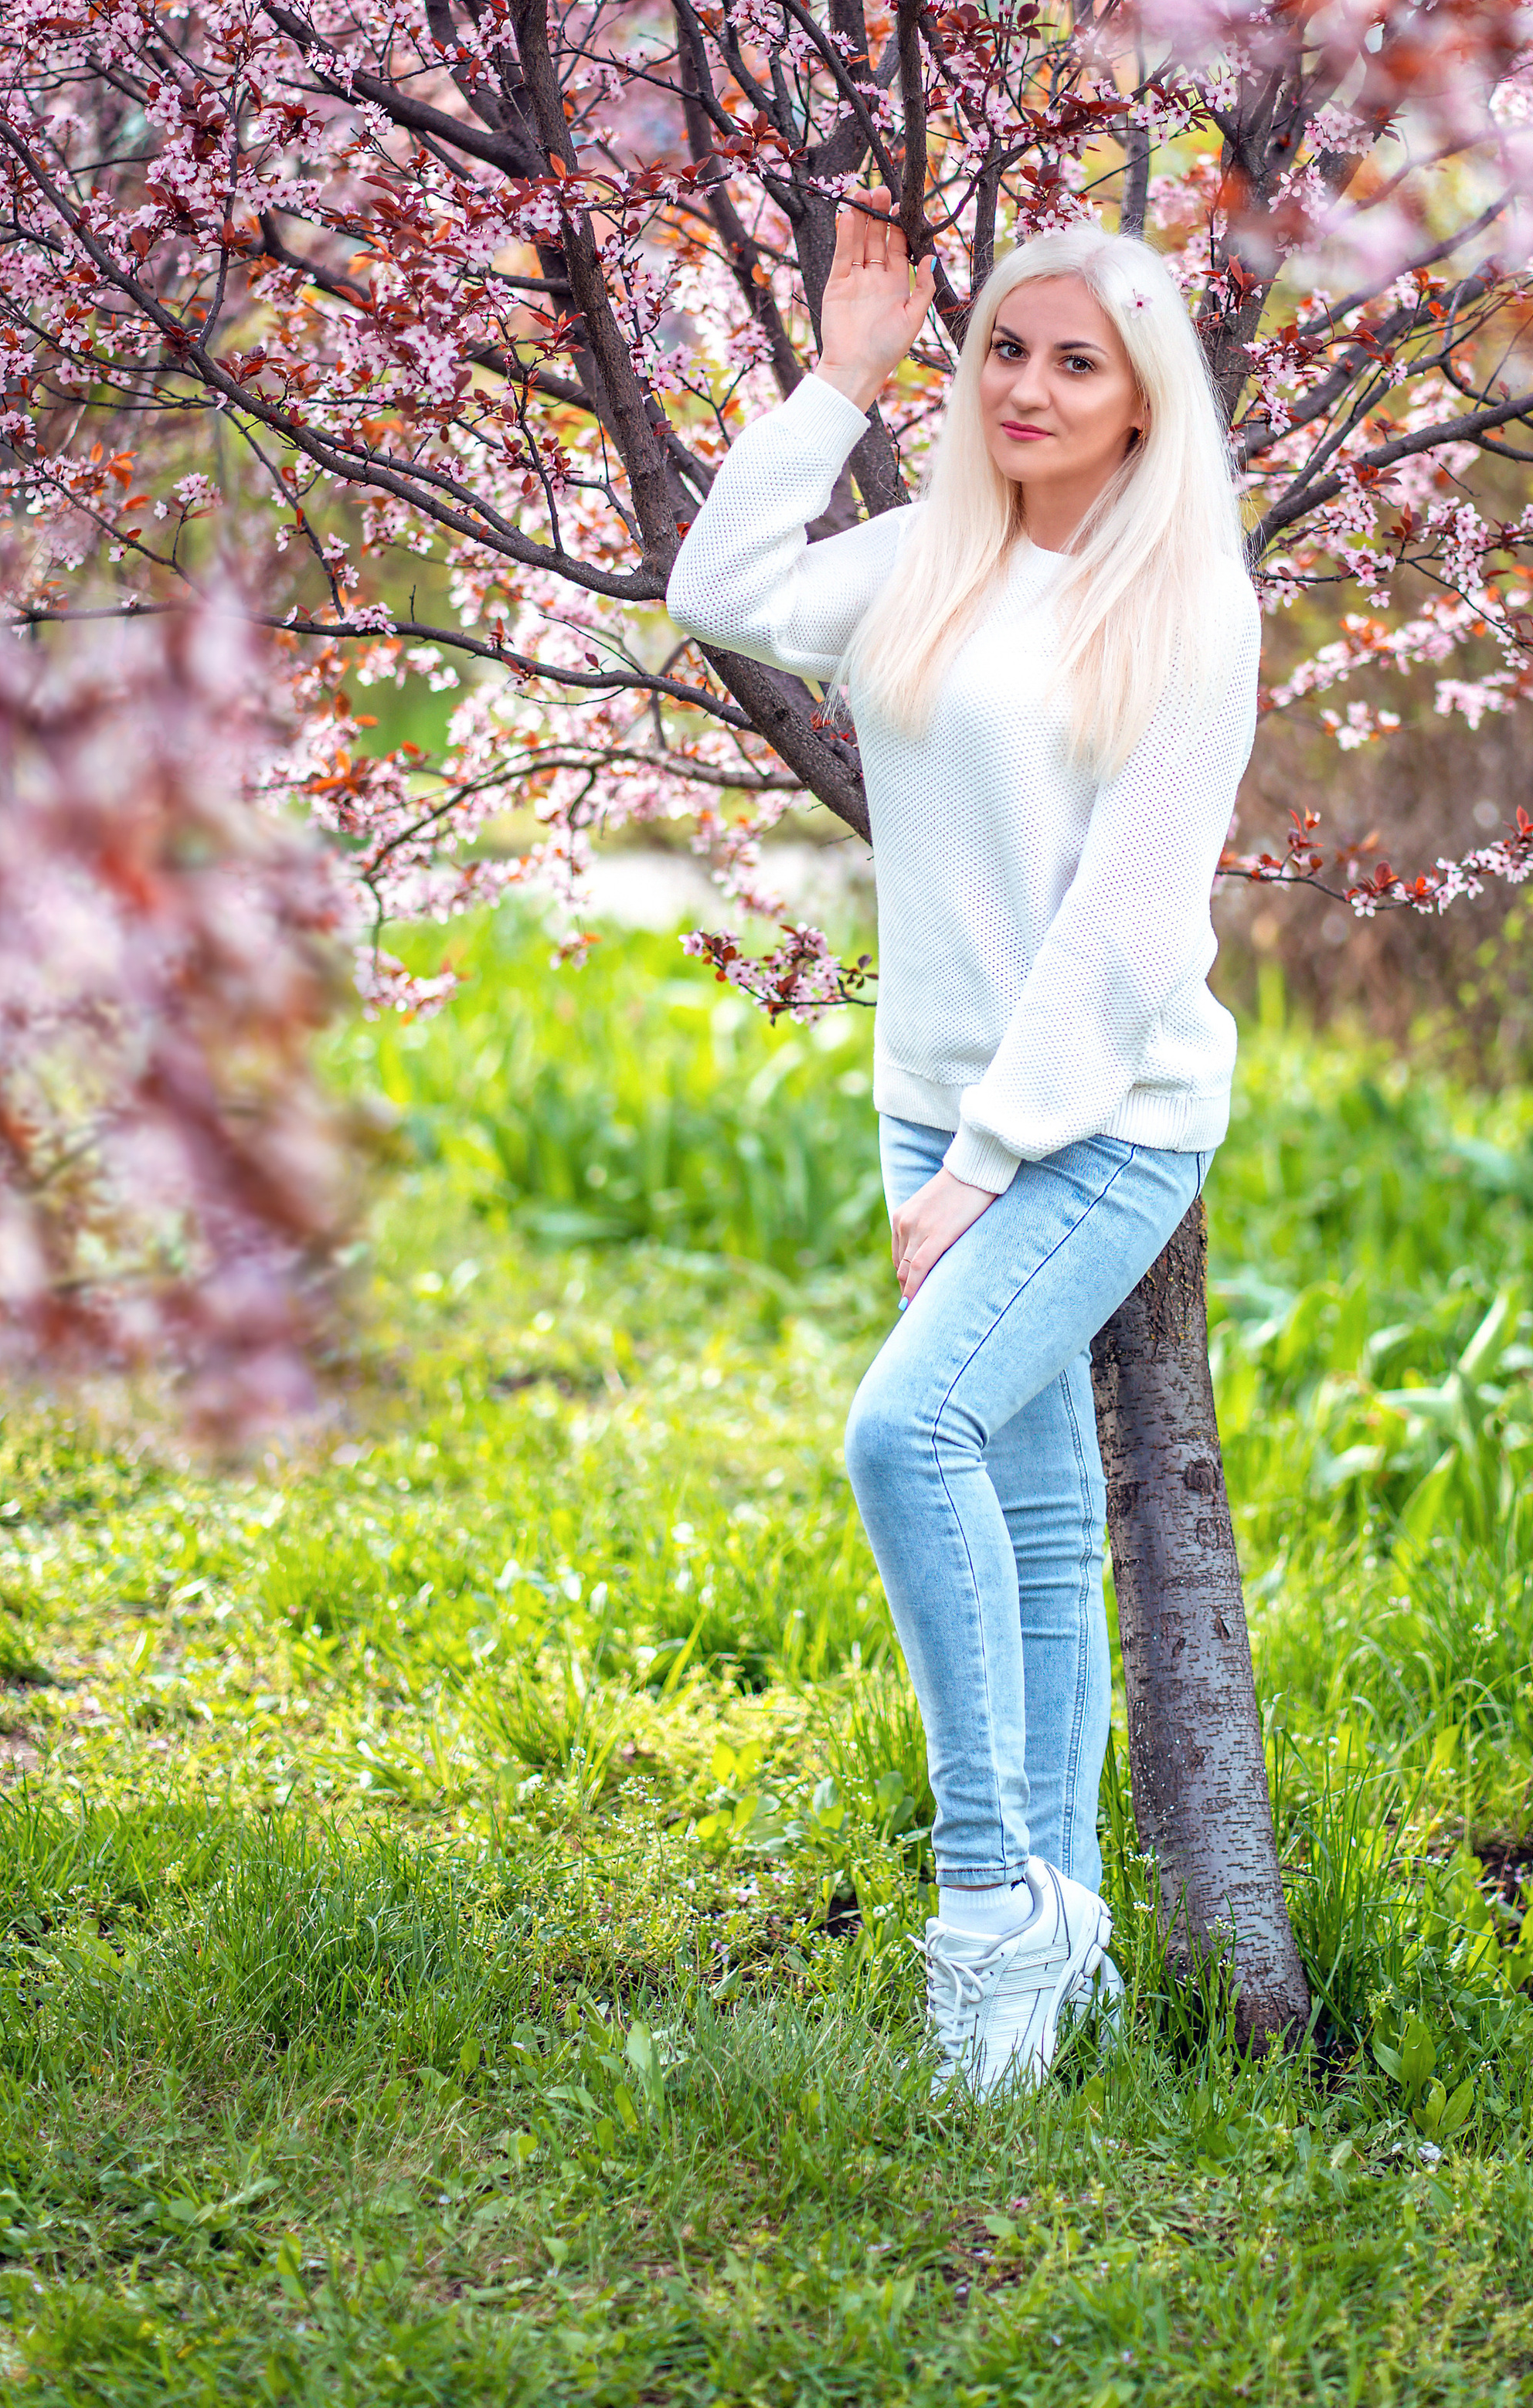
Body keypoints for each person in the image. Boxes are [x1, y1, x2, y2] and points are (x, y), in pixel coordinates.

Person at [667, 192, 1259, 2096]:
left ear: (1140, 407)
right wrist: (843, 374)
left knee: (898, 1430)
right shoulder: (928, 554)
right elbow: (718, 591)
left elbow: (1128, 932)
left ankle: (985, 1891)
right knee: (1021, 1526)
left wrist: (987, 1162)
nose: (1025, 384)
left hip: (1095, 1124)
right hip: (933, 1100)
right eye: (1005, 347)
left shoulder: (1180, 611)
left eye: (1073, 362)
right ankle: (1061, 1953)